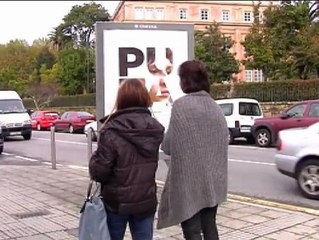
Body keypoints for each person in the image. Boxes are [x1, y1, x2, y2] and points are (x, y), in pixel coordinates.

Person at [157, 60, 228, 240]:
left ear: (186, 81)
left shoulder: (181, 106)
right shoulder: (215, 107)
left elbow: (168, 146)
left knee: (192, 230)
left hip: (188, 183)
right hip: (214, 182)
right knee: (210, 226)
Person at [89, 78, 164, 240]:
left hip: (116, 203)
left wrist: (94, 160)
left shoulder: (111, 129)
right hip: (145, 200)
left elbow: (99, 173)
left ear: (121, 99)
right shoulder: (154, 129)